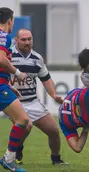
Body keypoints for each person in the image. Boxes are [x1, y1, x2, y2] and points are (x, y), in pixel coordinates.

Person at [10, 29, 67, 165]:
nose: (27, 42)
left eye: (29, 39)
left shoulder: (37, 58)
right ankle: (17, 150)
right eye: (23, 40)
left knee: (54, 131)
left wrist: (54, 95)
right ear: (16, 40)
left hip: (33, 101)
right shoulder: (8, 55)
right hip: (15, 102)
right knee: (27, 126)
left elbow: (46, 79)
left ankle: (56, 159)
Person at [0, 7, 32, 172]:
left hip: (3, 85)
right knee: (23, 120)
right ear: (10, 20)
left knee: (23, 121)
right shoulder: (4, 36)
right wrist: (17, 73)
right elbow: (1, 60)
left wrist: (9, 85)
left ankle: (9, 159)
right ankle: (8, 159)